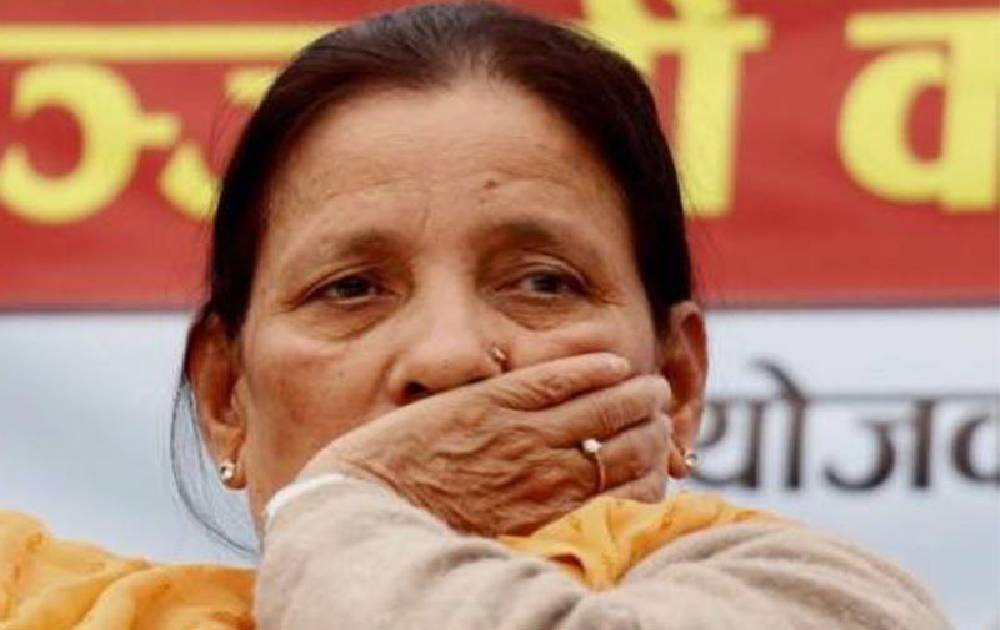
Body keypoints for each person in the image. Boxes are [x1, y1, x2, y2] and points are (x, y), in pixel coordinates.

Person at [0, 3, 950, 629]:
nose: (450, 356)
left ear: (678, 381)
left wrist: (350, 507)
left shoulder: (819, 601)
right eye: (351, 289)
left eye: (544, 284)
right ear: (224, 398)